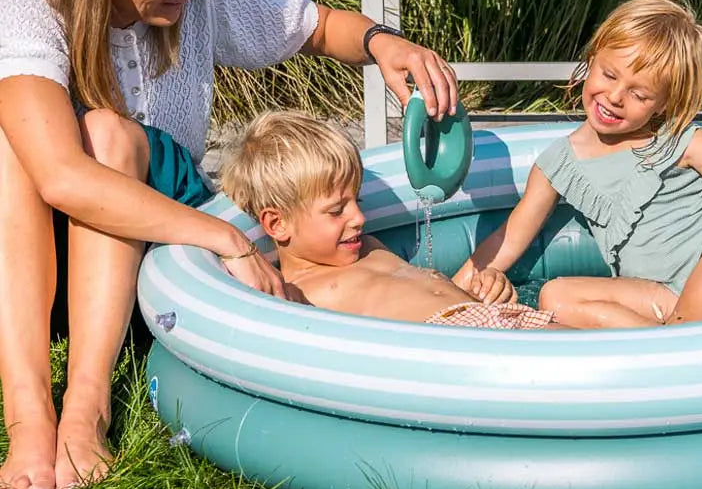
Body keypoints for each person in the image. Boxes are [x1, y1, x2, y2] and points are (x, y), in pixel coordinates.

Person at [0, 0, 460, 489]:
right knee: (13, 148)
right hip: (58, 254)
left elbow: (318, 27)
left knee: (105, 134)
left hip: (159, 241)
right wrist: (228, 237)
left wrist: (386, 42)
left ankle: (86, 408)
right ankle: (28, 415)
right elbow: (61, 181)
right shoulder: (28, 8)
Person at [454, 0, 702, 329]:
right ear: (592, 59)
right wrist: (455, 293)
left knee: (689, 323)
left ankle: (673, 349)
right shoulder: (557, 165)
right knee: (555, 297)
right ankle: (662, 346)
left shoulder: (681, 141)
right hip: (661, 294)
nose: (615, 96)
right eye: (609, 74)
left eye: (639, 94)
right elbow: (509, 239)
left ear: (665, 103)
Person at [220, 111, 563, 330]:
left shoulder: (366, 247)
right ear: (277, 224)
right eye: (337, 211)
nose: (359, 217)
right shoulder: (296, 294)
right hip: (463, 346)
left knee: (596, 351)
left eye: (358, 200)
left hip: (486, 321)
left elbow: (428, 294)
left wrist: (481, 287)